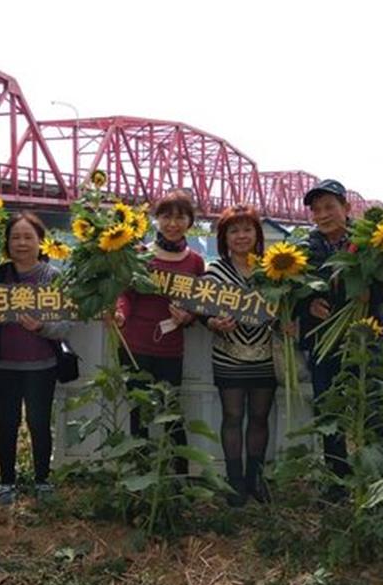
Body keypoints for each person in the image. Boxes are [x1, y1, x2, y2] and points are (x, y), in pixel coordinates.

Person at [298, 179, 383, 500]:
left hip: (366, 337)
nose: (322, 215)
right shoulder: (304, 249)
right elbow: (292, 291)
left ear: (346, 207)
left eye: (329, 207)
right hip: (323, 340)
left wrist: (372, 293)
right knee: (329, 411)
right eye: (316, 210)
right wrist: (307, 305)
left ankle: (381, 482)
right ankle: (337, 483)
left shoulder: (373, 243)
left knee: (373, 407)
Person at [0, 212, 71, 505]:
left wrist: (41, 326)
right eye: (15, 237)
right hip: (3, 364)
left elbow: (65, 324)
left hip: (41, 364)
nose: (21, 243)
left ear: (40, 241)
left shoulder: (53, 277)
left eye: (28, 237)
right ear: (7, 242)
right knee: (6, 423)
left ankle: (42, 478)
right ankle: (7, 481)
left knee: (39, 422)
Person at [114, 190, 204, 476]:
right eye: (166, 216)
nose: (173, 223)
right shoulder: (140, 255)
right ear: (156, 219)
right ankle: (139, 477)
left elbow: (200, 301)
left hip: (171, 347)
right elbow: (125, 294)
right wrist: (120, 314)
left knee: (171, 412)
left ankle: (179, 477)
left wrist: (188, 316)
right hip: (135, 344)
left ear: (190, 221)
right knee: (138, 414)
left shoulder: (196, 262)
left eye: (180, 217)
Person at [204, 205, 276, 506]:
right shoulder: (214, 271)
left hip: (264, 354)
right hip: (229, 355)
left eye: (248, 229)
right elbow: (202, 311)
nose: (241, 236)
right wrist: (213, 322)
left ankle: (255, 479)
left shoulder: (272, 268)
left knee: (260, 417)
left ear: (257, 234)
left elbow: (286, 305)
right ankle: (235, 482)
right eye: (234, 231)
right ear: (224, 237)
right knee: (232, 417)